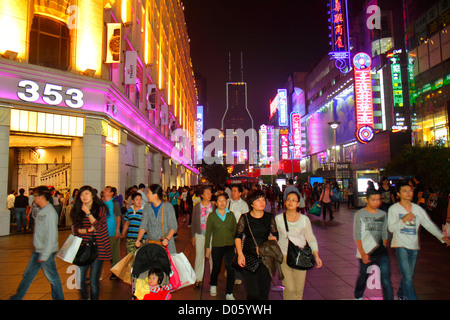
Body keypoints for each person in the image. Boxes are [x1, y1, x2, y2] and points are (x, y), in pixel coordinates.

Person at [388, 181, 450, 300]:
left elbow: (428, 224)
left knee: (409, 275)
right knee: (408, 277)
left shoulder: (417, 209)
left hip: (414, 246)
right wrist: (404, 220)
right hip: (400, 246)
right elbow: (391, 228)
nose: (408, 193)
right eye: (405, 191)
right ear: (398, 194)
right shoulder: (393, 209)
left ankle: (401, 294)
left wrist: (441, 237)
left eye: (410, 190)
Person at [10, 186, 64, 300]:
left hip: (46, 252)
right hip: (38, 251)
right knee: (28, 276)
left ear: (41, 197)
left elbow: (51, 236)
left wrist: (45, 255)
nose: (34, 198)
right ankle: (17, 297)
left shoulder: (50, 212)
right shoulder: (41, 210)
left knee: (53, 279)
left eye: (35, 196)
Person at [275, 191, 322, 300]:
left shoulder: (304, 220)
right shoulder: (278, 219)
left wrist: (316, 255)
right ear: (285, 202)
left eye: (293, 200)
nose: (290, 202)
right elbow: (272, 234)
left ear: (298, 204)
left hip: (301, 256)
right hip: (284, 256)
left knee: (299, 290)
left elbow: (310, 238)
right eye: (288, 199)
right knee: (290, 288)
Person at [235, 189, 278, 300]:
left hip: (266, 258)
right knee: (253, 293)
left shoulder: (269, 217)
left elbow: (275, 235)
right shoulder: (245, 218)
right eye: (258, 200)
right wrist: (240, 254)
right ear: (251, 203)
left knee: (264, 292)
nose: (262, 202)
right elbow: (238, 236)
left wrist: (269, 241)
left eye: (263, 200)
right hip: (249, 257)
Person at [70, 185, 111, 300]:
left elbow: (98, 226)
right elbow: (76, 230)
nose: (84, 196)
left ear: (92, 195)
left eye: (86, 194)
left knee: (93, 281)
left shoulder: (100, 209)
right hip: (83, 248)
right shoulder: (77, 210)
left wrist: (88, 213)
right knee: (79, 280)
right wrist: (88, 230)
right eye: (82, 194)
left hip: (98, 247)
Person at [353, 189, 393, 300]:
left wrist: (384, 245)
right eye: (373, 199)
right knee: (363, 277)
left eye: (378, 199)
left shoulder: (383, 214)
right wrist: (362, 253)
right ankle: (358, 296)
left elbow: (385, 233)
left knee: (386, 280)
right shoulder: (359, 214)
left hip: (381, 253)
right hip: (366, 252)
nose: (377, 202)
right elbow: (357, 235)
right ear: (367, 200)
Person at [205, 193, 237, 300]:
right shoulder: (212, 216)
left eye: (224, 201)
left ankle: (229, 292)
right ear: (216, 203)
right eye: (220, 201)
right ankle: (213, 285)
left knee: (231, 269)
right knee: (216, 268)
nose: (222, 203)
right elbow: (208, 233)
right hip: (217, 246)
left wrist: (237, 246)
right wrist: (207, 248)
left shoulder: (231, 215)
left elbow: (235, 231)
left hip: (230, 246)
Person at [136, 184, 178, 254]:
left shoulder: (168, 207)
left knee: (167, 264)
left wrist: (167, 239)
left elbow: (173, 226)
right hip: (151, 244)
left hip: (166, 245)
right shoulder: (147, 208)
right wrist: (138, 239)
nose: (147, 195)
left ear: (155, 195)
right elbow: (143, 225)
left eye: (148, 193)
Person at [190, 185, 215, 288]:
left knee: (212, 257)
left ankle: (213, 278)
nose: (209, 195)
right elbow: (194, 222)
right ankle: (198, 278)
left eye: (210, 193)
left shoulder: (213, 206)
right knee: (199, 256)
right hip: (199, 234)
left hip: (212, 235)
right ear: (202, 195)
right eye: (207, 193)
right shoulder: (197, 206)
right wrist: (193, 236)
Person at [103, 186, 122, 279]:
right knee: (108, 252)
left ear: (111, 193)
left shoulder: (114, 203)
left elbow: (118, 217)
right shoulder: (102, 203)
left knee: (114, 252)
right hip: (103, 231)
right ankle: (115, 271)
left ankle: (116, 272)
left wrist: (117, 230)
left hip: (112, 231)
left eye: (107, 190)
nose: (104, 190)